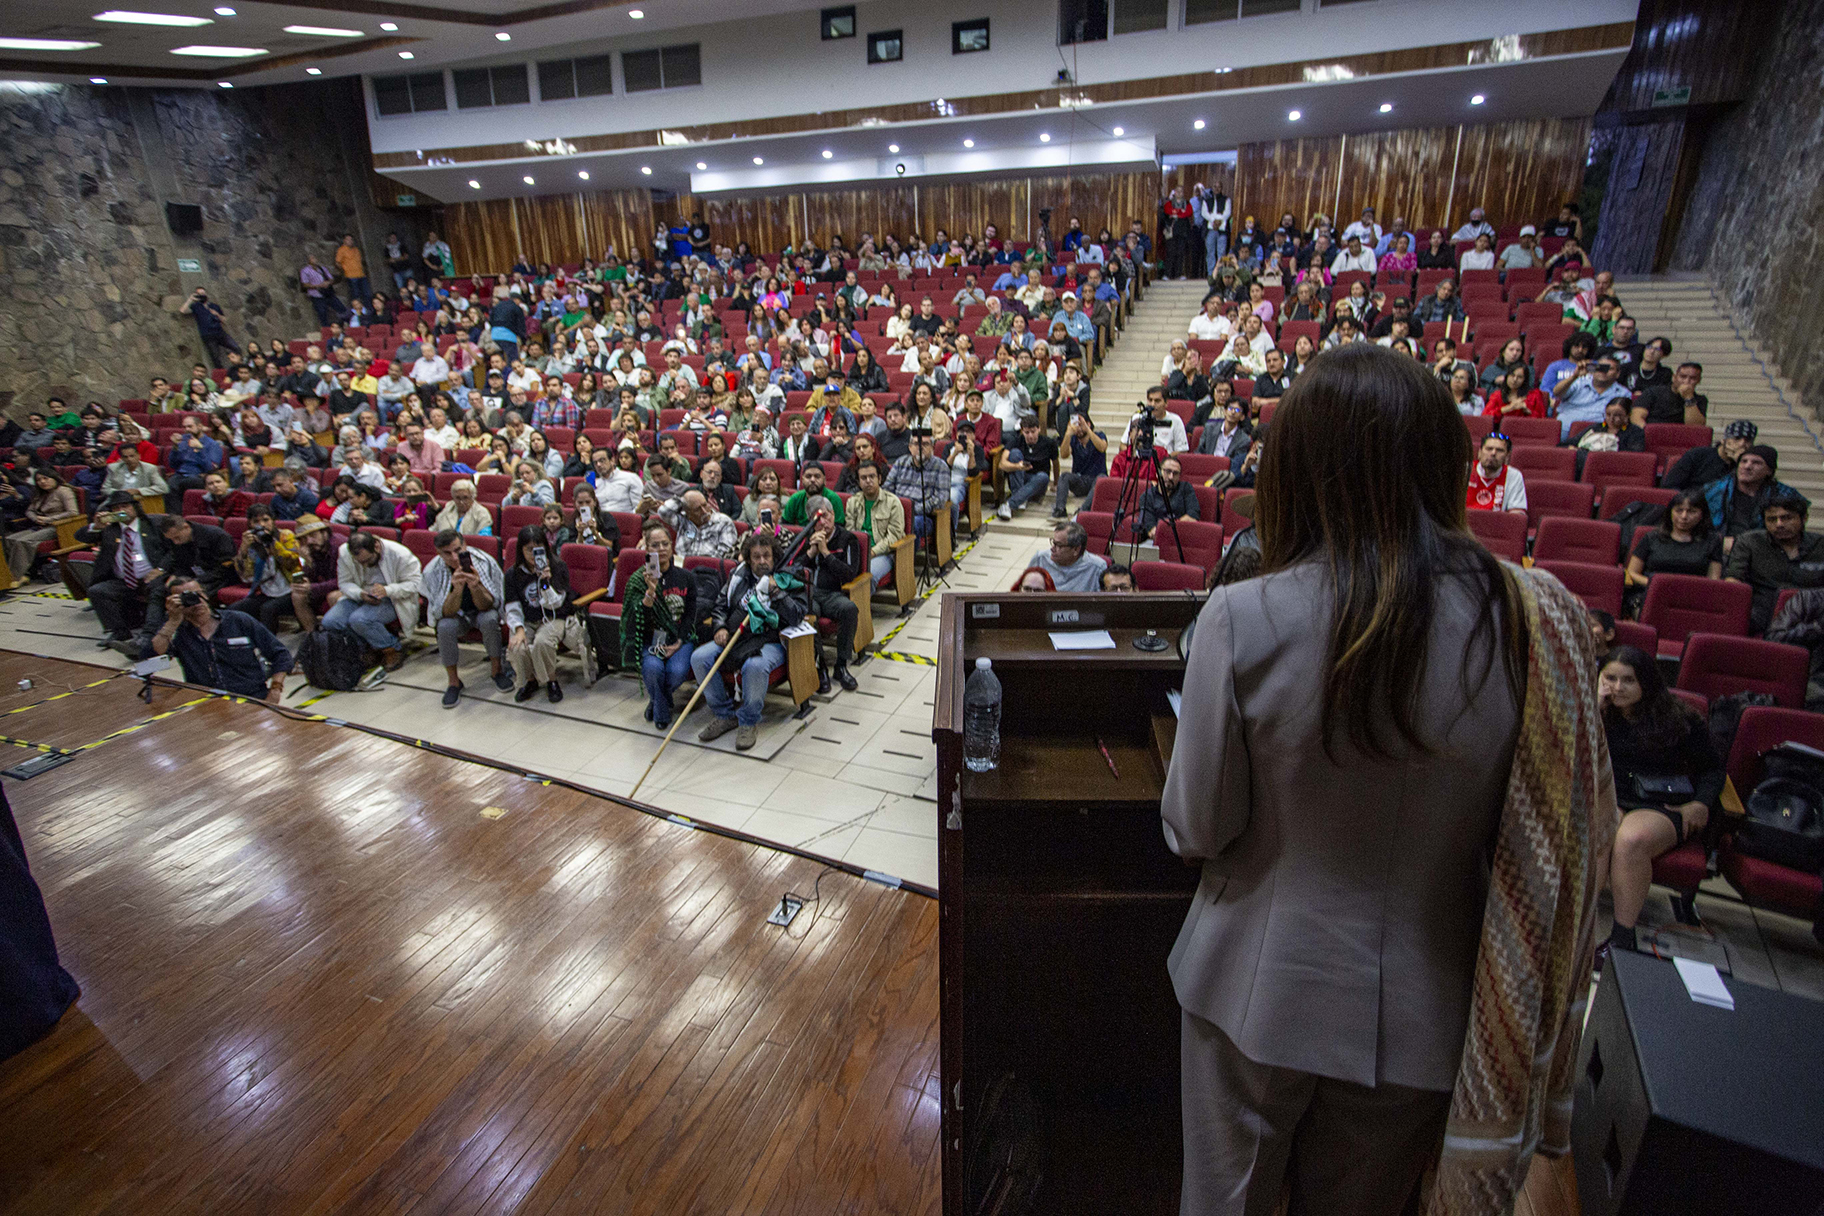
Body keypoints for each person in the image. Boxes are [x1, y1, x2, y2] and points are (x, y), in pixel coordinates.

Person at [1163, 344, 1612, 1216]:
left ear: (1301, 467)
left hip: (1251, 979)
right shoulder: (1528, 618)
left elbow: (1198, 830)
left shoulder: (1244, 614)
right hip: (1428, 998)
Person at [1598, 646, 1724, 958]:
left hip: (1664, 804)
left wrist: (1701, 803)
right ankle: (1578, 925)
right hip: (1615, 798)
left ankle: (1622, 938)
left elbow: (1713, 769)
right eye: (1610, 678)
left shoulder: (1680, 718)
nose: (1617, 687)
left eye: (1628, 680)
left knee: (1630, 839)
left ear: (1646, 682)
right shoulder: (1595, 714)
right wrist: (1593, 708)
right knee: (1599, 829)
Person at [690, 531, 805, 751]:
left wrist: (777, 592)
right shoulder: (738, 576)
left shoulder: (788, 577)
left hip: (771, 639)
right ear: (748, 558)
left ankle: (748, 721)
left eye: (766, 556)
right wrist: (720, 626)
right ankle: (725, 714)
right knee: (699, 657)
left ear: (774, 557)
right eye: (756, 557)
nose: (762, 561)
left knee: (755, 666)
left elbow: (797, 615)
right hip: (737, 635)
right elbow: (720, 605)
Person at [150, 576, 293, 702]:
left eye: (197, 594)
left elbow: (281, 654)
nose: (196, 601)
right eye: (186, 598)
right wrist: (172, 621)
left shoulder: (239, 620)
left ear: (205, 595)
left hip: (251, 697)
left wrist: (275, 688)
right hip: (206, 701)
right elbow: (154, 654)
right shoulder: (178, 632)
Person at [420, 529, 515, 707]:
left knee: (490, 618)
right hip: (456, 615)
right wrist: (456, 590)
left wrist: (475, 586)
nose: (454, 558)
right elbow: (442, 612)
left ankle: (497, 671)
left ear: (465, 546)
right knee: (444, 626)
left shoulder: (485, 562)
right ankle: (454, 682)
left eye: (457, 551)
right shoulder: (432, 571)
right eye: (447, 554)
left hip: (481, 611)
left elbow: (491, 604)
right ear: (439, 554)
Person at [622, 518, 697, 728]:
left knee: (675, 672)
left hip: (679, 638)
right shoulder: (638, 581)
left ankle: (656, 701)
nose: (661, 549)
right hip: (650, 640)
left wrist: (680, 641)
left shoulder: (686, 577)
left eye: (665, 544)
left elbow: (691, 614)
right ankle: (662, 712)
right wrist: (650, 593)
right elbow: (635, 622)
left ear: (672, 546)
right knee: (654, 668)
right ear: (646, 548)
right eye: (655, 545)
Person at [502, 525, 590, 703]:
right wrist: (518, 629)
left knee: (543, 642)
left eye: (538, 549)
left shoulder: (558, 566)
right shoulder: (512, 574)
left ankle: (551, 680)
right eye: (529, 549)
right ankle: (530, 681)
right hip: (526, 619)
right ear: (521, 550)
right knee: (518, 646)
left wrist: (544, 584)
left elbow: (556, 603)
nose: (533, 554)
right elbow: (512, 606)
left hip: (553, 617)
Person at [1724, 489, 1824, 633]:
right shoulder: (1750, 542)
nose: (1779, 524)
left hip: (1808, 618)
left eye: (1787, 518)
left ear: (1804, 518)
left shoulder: (1820, 545)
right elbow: (1733, 580)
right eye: (1771, 519)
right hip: (1761, 613)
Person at [323, 530, 422, 672]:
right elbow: (344, 583)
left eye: (367, 561)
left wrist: (387, 590)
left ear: (376, 546)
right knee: (331, 621)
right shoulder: (344, 552)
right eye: (359, 563)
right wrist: (360, 594)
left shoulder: (400, 554)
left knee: (359, 619)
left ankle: (392, 649)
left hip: (393, 598)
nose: (364, 565)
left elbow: (414, 584)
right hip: (361, 594)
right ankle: (367, 648)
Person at [1624, 488, 1722, 616]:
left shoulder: (1712, 541)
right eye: (1679, 510)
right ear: (1670, 512)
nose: (1684, 516)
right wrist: (1657, 585)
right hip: (1651, 593)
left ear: (1702, 515)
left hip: (1692, 598)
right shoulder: (1651, 537)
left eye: (1691, 511)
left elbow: (1713, 581)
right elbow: (1631, 572)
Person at [798, 500, 863, 692]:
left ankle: (841, 665)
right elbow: (793, 571)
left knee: (849, 609)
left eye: (826, 516)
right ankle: (820, 668)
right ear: (810, 521)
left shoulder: (847, 539)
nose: (823, 523)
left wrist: (826, 553)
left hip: (833, 593)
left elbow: (850, 573)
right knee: (810, 612)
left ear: (833, 515)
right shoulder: (805, 538)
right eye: (817, 519)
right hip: (810, 593)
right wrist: (811, 552)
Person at [1705, 443, 1796, 546]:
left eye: (1756, 463)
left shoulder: (1785, 495)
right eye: (1744, 461)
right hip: (1718, 547)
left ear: (1769, 471)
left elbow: (1790, 532)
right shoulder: (1713, 491)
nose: (1747, 466)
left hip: (1763, 548)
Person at [3, 470, 78, 581]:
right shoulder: (40, 493)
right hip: (39, 525)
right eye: (38, 480)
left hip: (58, 527)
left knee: (22, 541)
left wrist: (49, 519)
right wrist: (36, 518)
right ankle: (20, 573)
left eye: (45, 478)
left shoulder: (64, 491)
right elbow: (29, 511)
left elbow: (73, 512)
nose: (42, 482)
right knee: (9, 539)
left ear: (54, 478)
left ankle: (15, 577)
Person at [846, 461, 905, 585]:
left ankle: (862, 604)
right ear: (858, 482)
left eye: (872, 476)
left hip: (883, 553)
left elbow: (894, 537)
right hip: (858, 552)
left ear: (879, 478)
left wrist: (872, 552)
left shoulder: (893, 502)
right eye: (863, 478)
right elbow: (849, 532)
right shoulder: (853, 502)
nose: (868, 481)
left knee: (867, 578)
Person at [1549, 354, 1631, 440]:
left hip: (1598, 436)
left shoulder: (1623, 394)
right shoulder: (1578, 382)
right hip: (1565, 430)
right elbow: (1556, 393)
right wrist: (1574, 376)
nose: (1604, 371)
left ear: (1617, 374)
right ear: (1593, 369)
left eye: (1609, 369)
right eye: (1601, 367)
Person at [995, 417, 1058, 521]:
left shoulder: (1049, 443)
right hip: (1020, 479)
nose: (1030, 436)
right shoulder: (1016, 441)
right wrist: (1017, 466)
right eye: (1027, 432)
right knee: (1014, 453)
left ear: (1039, 429)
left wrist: (1056, 483)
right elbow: (1002, 464)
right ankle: (1020, 498)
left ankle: (1010, 504)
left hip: (1038, 482)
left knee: (1043, 477)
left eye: (1033, 432)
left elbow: (1056, 464)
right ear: (1022, 431)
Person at [1052, 412, 1108, 520]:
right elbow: (1064, 455)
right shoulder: (1073, 440)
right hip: (1080, 479)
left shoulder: (1099, 435)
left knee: (1102, 479)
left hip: (1096, 480)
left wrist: (1087, 429)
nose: (1079, 428)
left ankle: (1083, 510)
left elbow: (1102, 447)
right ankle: (1060, 509)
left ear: (1088, 424)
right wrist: (1068, 434)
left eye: (1081, 424)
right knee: (1064, 476)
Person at [1028, 520, 1106, 592]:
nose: (1052, 548)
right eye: (1053, 542)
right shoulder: (1040, 559)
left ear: (1076, 550)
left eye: (1058, 545)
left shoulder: (1097, 568)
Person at [1136, 455, 1198, 540]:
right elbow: (1151, 529)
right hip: (1157, 541)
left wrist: (1167, 529)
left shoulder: (1186, 489)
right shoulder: (1147, 496)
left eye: (1175, 473)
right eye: (1167, 471)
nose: (1171, 477)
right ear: (1158, 473)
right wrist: (1174, 528)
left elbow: (1193, 515)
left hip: (1182, 539)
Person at [1633, 361, 1707, 428]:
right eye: (1683, 377)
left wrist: (1688, 397)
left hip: (1680, 438)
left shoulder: (1700, 400)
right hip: (1651, 434)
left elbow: (1696, 427)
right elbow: (1636, 416)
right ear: (1674, 377)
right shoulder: (1653, 392)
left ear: (1698, 381)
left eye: (1693, 378)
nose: (1686, 381)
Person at [780, 462, 843, 527]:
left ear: (824, 480)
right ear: (802, 480)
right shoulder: (795, 498)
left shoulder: (834, 499)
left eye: (817, 476)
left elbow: (839, 528)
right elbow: (786, 526)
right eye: (808, 476)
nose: (812, 480)